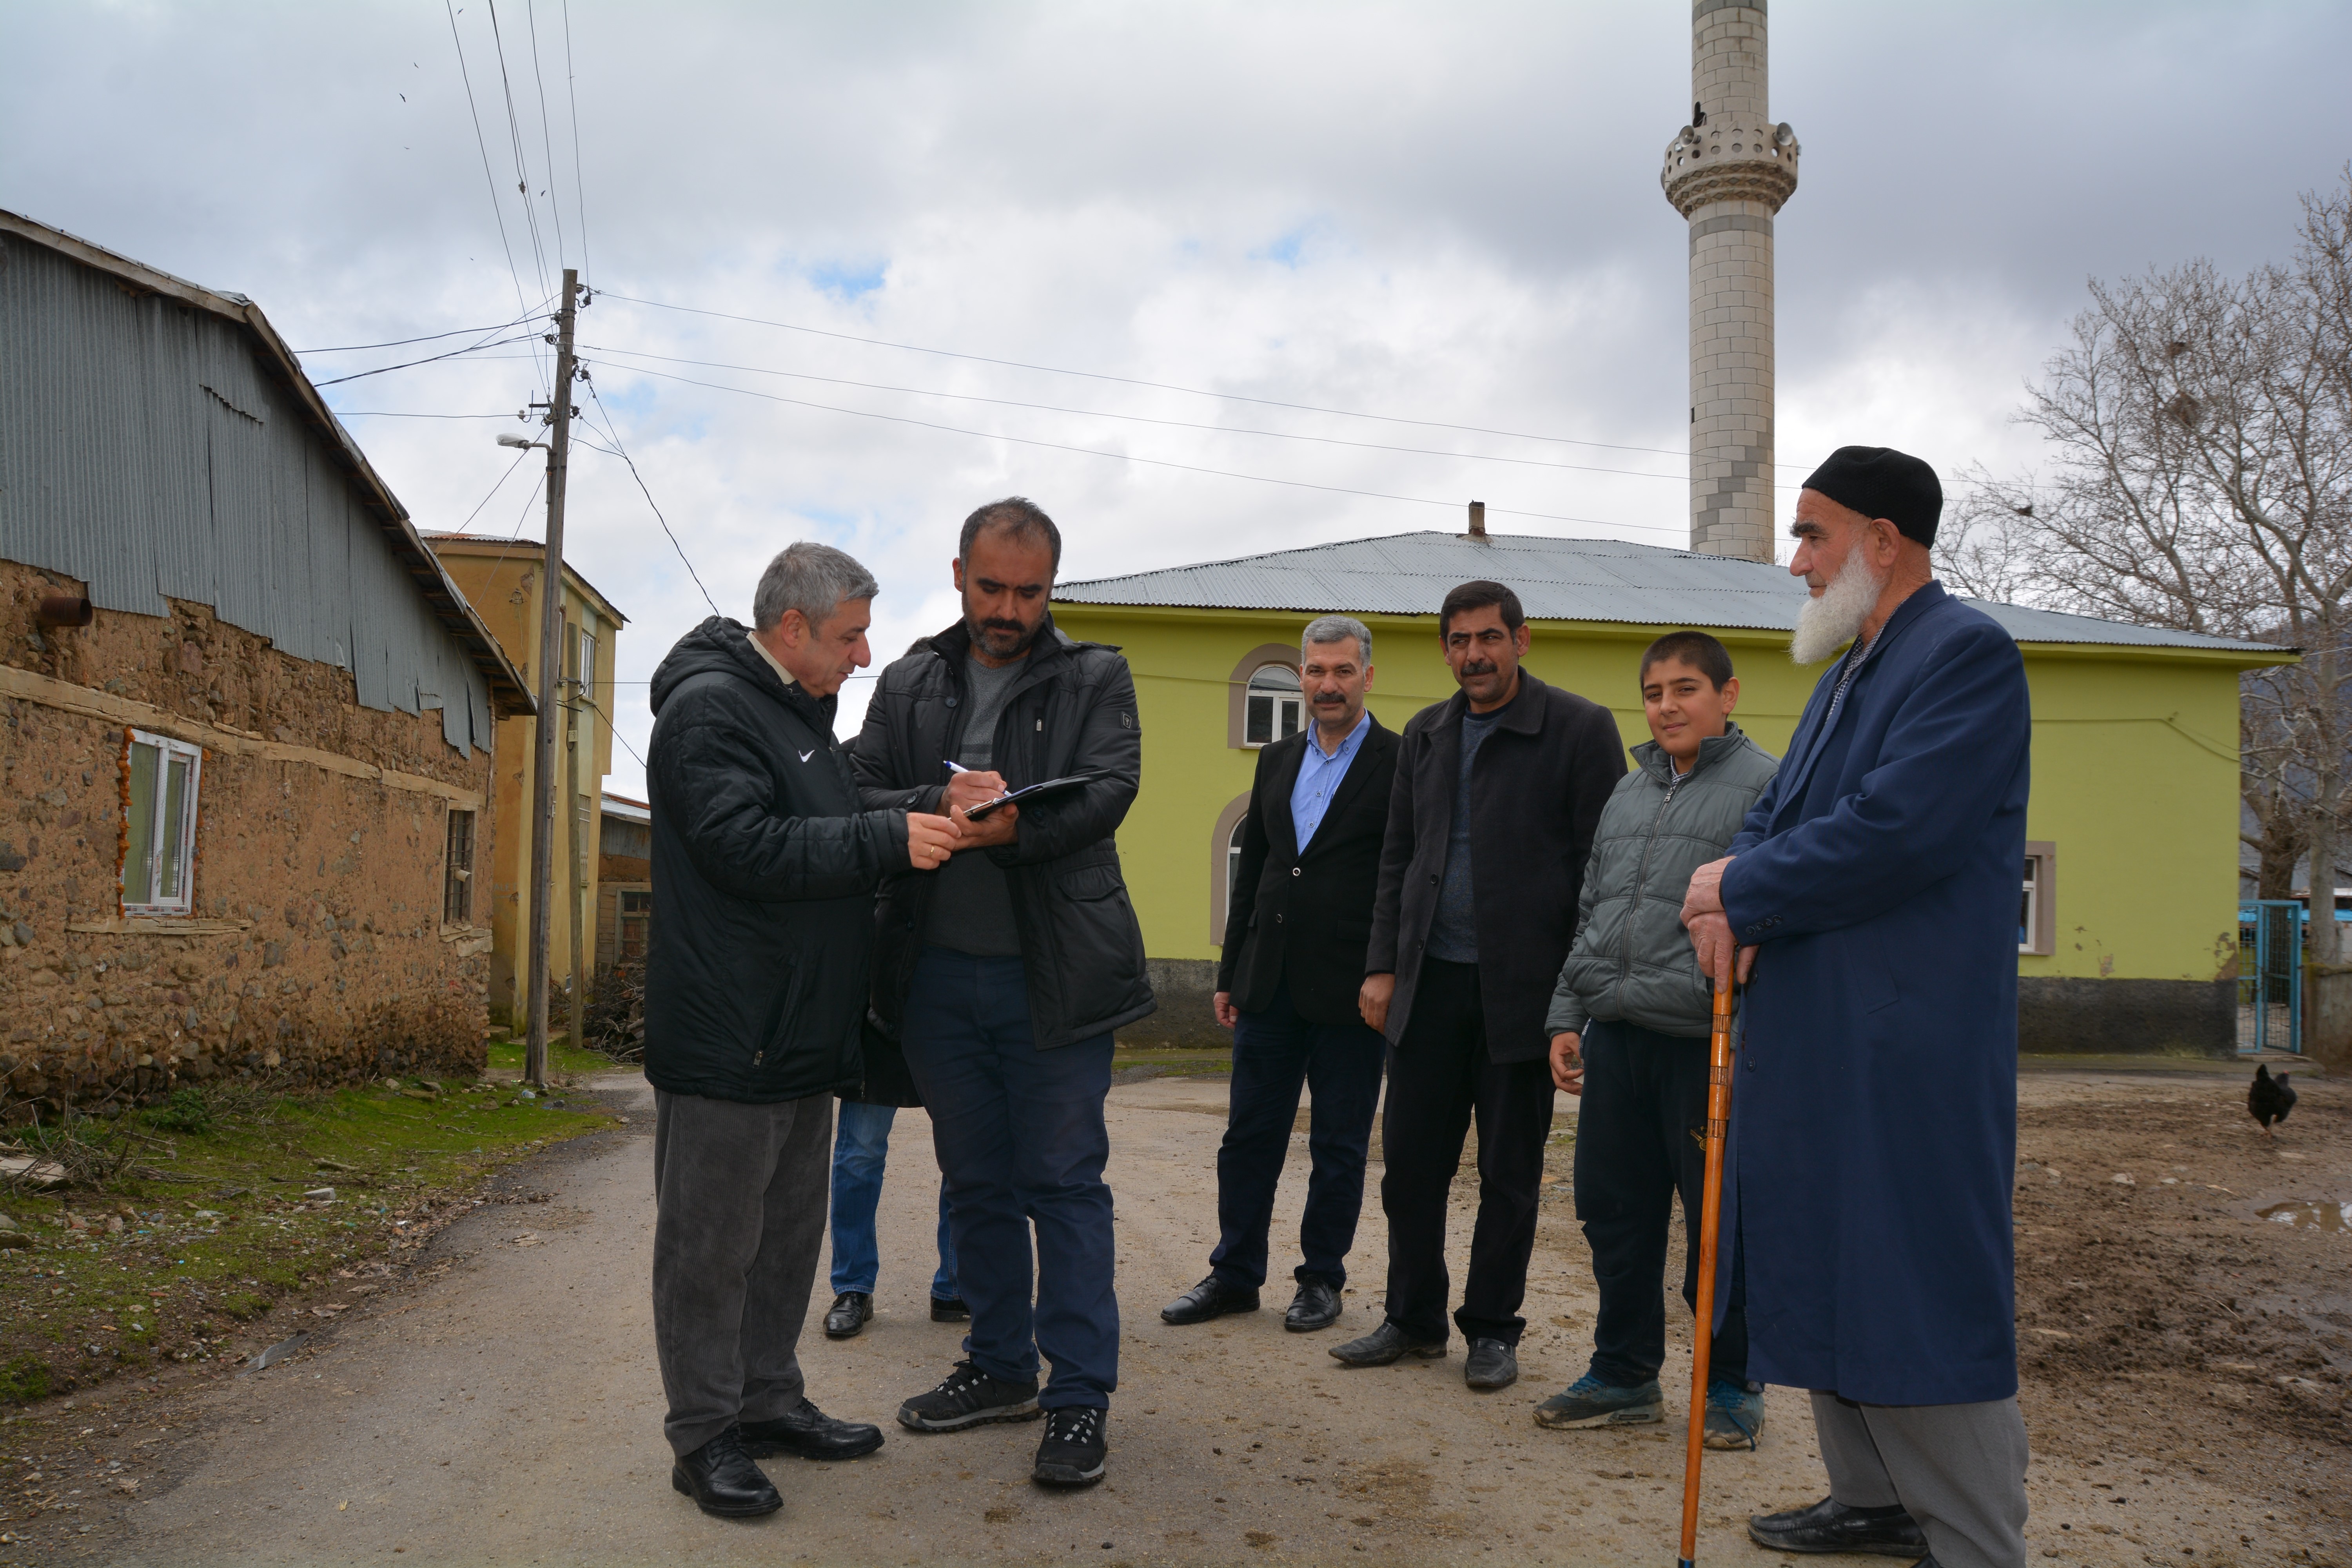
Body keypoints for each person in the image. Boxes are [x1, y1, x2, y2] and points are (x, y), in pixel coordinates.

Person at [1681, 447, 2033, 1568]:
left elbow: (1899, 831)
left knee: (1914, 1279)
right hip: (1822, 1039)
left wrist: (1740, 891)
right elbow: (1774, 816)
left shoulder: (1963, 656)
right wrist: (1733, 883)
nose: (1796, 561)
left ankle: (1976, 1539)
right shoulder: (1846, 678)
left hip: (1905, 1045)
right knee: (1832, 1261)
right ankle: (1874, 1499)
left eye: (1813, 534)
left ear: (1883, 542)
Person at [642, 542, 961, 1519]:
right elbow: (743, 845)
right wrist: (885, 840)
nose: (864, 655)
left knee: (785, 1239)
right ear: (792, 629)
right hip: (728, 1033)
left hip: (794, 1032)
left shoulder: (791, 710)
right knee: (709, 1247)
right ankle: (704, 1435)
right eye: (851, 635)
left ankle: (769, 1400)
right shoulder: (710, 711)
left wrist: (930, 803)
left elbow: (833, 809)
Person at [848, 497, 1153, 1490]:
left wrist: (1009, 824)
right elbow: (856, 792)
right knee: (974, 1181)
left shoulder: (1095, 674)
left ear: (1051, 588)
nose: (1007, 609)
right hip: (936, 975)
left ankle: (1078, 1401)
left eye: (1028, 591)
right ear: (958, 574)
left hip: (1055, 978)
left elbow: (1109, 788)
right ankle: (1000, 1363)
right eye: (991, 586)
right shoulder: (907, 679)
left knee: (1064, 1185)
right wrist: (934, 802)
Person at [1341, 580, 1624, 1392]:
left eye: (1489, 638)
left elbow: (1598, 876)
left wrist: (1576, 997)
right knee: (1411, 1170)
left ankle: (1493, 1327)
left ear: (1521, 640)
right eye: (1459, 641)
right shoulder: (1427, 733)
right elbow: (1397, 856)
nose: (1474, 654)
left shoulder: (1578, 728)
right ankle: (1412, 1316)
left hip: (1523, 994)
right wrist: (1382, 964)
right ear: (1445, 649)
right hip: (1428, 990)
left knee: (1509, 1173)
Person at [1532, 630, 1777, 1448]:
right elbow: (1594, 909)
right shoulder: (1628, 793)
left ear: (1728, 694)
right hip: (1619, 1036)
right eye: (1653, 692)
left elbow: (1774, 932)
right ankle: (1625, 1372)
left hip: (1704, 1043)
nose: (1667, 706)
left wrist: (1746, 1039)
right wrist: (1569, 1012)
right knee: (1615, 1212)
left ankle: (1734, 1382)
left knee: (1721, 1222)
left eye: (1685, 689)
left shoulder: (1767, 789)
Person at [1162, 615, 1400, 1336]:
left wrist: (1386, 971)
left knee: (1339, 1144)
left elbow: (1401, 878)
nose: (1328, 685)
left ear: (1367, 677)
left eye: (1342, 672)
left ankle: (1321, 1280)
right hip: (1269, 988)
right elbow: (1260, 872)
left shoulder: (1399, 762)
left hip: (1353, 993)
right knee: (1248, 1140)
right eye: (1316, 671)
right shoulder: (1275, 760)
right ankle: (1235, 1275)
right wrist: (1231, 971)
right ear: (1300, 677)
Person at [824, 643, 967, 1343]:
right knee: (858, 1152)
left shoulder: (976, 764)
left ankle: (956, 1283)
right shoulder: (858, 762)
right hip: (878, 979)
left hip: (950, 978)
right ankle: (852, 1286)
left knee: (962, 1151)